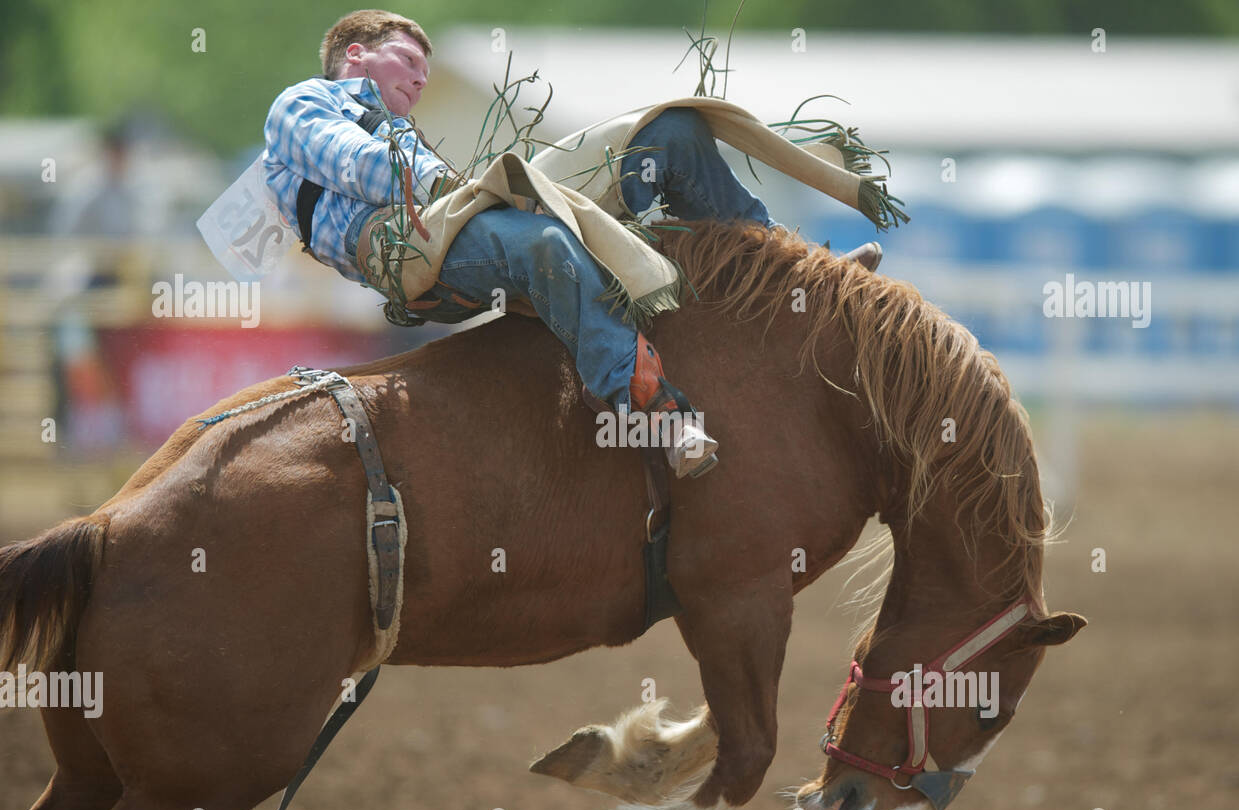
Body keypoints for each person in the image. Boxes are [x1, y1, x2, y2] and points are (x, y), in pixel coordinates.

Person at [264, 10, 883, 477]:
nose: (421, 80)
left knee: (666, 128)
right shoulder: (303, 103)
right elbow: (347, 160)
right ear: (356, 54)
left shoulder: (405, 131)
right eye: (409, 64)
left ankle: (793, 277)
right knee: (543, 241)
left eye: (427, 73)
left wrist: (467, 184)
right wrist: (443, 180)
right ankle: (653, 410)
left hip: (463, 205)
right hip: (399, 248)